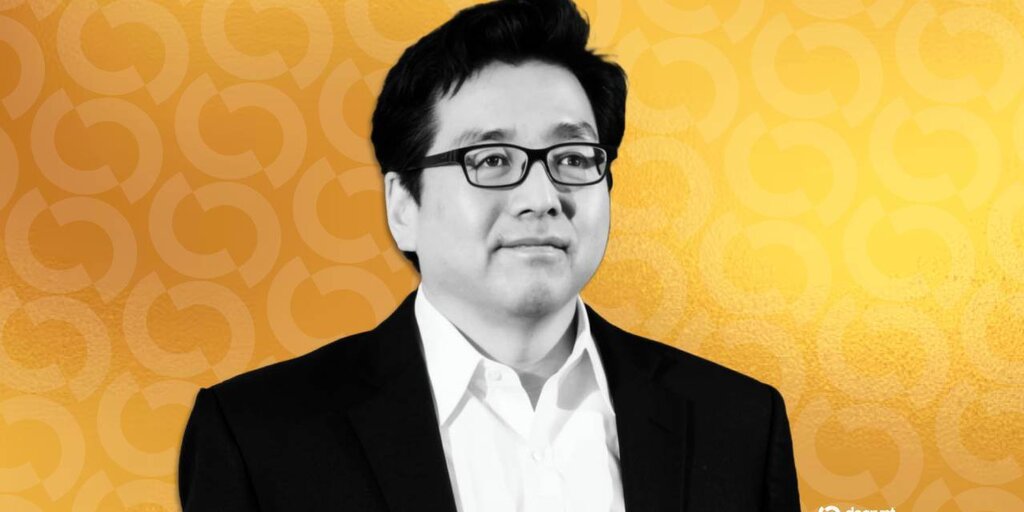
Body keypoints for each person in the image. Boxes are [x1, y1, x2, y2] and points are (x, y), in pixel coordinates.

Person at [177, 0, 801, 510]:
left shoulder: (738, 423)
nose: (542, 198)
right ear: (403, 206)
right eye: (492, 160)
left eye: (573, 158)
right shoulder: (259, 436)